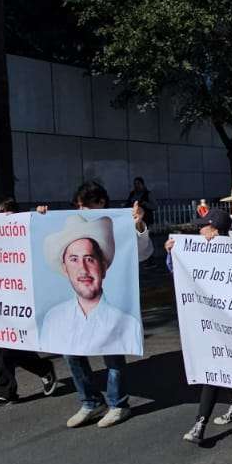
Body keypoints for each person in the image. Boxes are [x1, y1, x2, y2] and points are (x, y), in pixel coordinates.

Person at [37, 181, 153, 429]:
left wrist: (138, 224)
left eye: (90, 259)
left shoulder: (119, 224)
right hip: (73, 313)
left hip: (114, 308)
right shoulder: (55, 318)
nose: (82, 210)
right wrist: (41, 218)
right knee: (71, 352)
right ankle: (91, 402)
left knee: (113, 353)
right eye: (79, 206)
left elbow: (143, 253)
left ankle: (118, 404)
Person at [168, 209, 232, 443]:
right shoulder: (201, 249)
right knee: (223, 363)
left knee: (216, 366)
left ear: (215, 229)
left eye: (203, 226)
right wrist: (173, 253)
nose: (199, 230)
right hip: (211, 321)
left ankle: (200, 424)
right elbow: (181, 273)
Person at [0, 197, 59, 410]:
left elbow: (46, 238)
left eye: (8, 212)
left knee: (9, 345)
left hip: (19, 299)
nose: (4, 217)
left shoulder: (25, 232)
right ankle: (15, 385)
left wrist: (42, 218)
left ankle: (16, 385)